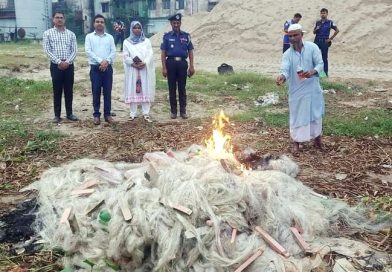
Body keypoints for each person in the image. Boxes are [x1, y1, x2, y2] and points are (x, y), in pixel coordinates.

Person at [276, 24, 325, 154]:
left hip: (313, 88)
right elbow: (285, 69)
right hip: (297, 90)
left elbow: (320, 64)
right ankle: (296, 143)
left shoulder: (313, 48)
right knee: (297, 116)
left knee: (315, 114)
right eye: (290, 36)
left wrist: (313, 71)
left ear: (302, 35)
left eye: (295, 35)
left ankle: (317, 140)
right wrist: (282, 77)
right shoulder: (287, 54)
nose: (293, 38)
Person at [43, 11, 78, 123]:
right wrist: (59, 62)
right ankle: (57, 115)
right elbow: (47, 50)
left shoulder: (71, 34)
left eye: (61, 17)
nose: (59, 19)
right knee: (57, 90)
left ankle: (69, 114)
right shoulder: (47, 33)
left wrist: (67, 62)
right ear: (53, 19)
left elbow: (74, 50)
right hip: (56, 66)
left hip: (69, 66)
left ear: (64, 19)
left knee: (69, 90)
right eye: (57, 17)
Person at [160, 13, 195, 119]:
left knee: (182, 88)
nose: (176, 25)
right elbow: (163, 53)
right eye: (174, 23)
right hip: (170, 63)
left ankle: (183, 111)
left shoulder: (186, 36)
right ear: (171, 23)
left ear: (180, 23)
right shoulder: (167, 36)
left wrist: (192, 66)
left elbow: (190, 51)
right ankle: (173, 111)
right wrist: (164, 67)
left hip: (182, 64)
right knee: (172, 88)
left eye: (178, 23)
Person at [85, 14, 116, 125]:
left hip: (108, 68)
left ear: (104, 24)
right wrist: (100, 61)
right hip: (95, 68)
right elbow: (88, 51)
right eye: (97, 21)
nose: (99, 23)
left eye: (102, 22)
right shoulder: (89, 37)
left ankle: (107, 115)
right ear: (94, 23)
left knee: (107, 92)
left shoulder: (110, 37)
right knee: (96, 91)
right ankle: (96, 115)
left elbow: (113, 52)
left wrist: (106, 61)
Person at [123, 21, 155, 122]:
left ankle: (146, 113)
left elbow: (150, 54)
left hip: (144, 69)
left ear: (141, 29)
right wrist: (132, 63)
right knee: (132, 88)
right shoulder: (126, 42)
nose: (137, 30)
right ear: (131, 29)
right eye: (134, 28)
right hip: (133, 69)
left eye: (139, 28)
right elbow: (125, 55)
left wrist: (144, 62)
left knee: (145, 88)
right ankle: (132, 113)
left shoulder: (146, 41)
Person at [313, 8, 339, 77]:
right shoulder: (318, 22)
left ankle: (325, 73)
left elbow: (337, 30)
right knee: (315, 57)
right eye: (321, 13)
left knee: (324, 58)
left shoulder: (330, 22)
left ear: (327, 14)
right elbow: (314, 32)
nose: (322, 14)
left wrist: (330, 39)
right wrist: (316, 29)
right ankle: (315, 72)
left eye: (324, 13)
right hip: (317, 41)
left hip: (325, 41)